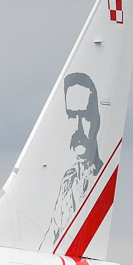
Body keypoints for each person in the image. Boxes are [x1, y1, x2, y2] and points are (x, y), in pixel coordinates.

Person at [42, 71, 104, 249]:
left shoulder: (101, 178)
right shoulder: (68, 180)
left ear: (97, 121)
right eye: (71, 116)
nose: (79, 128)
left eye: (85, 117)